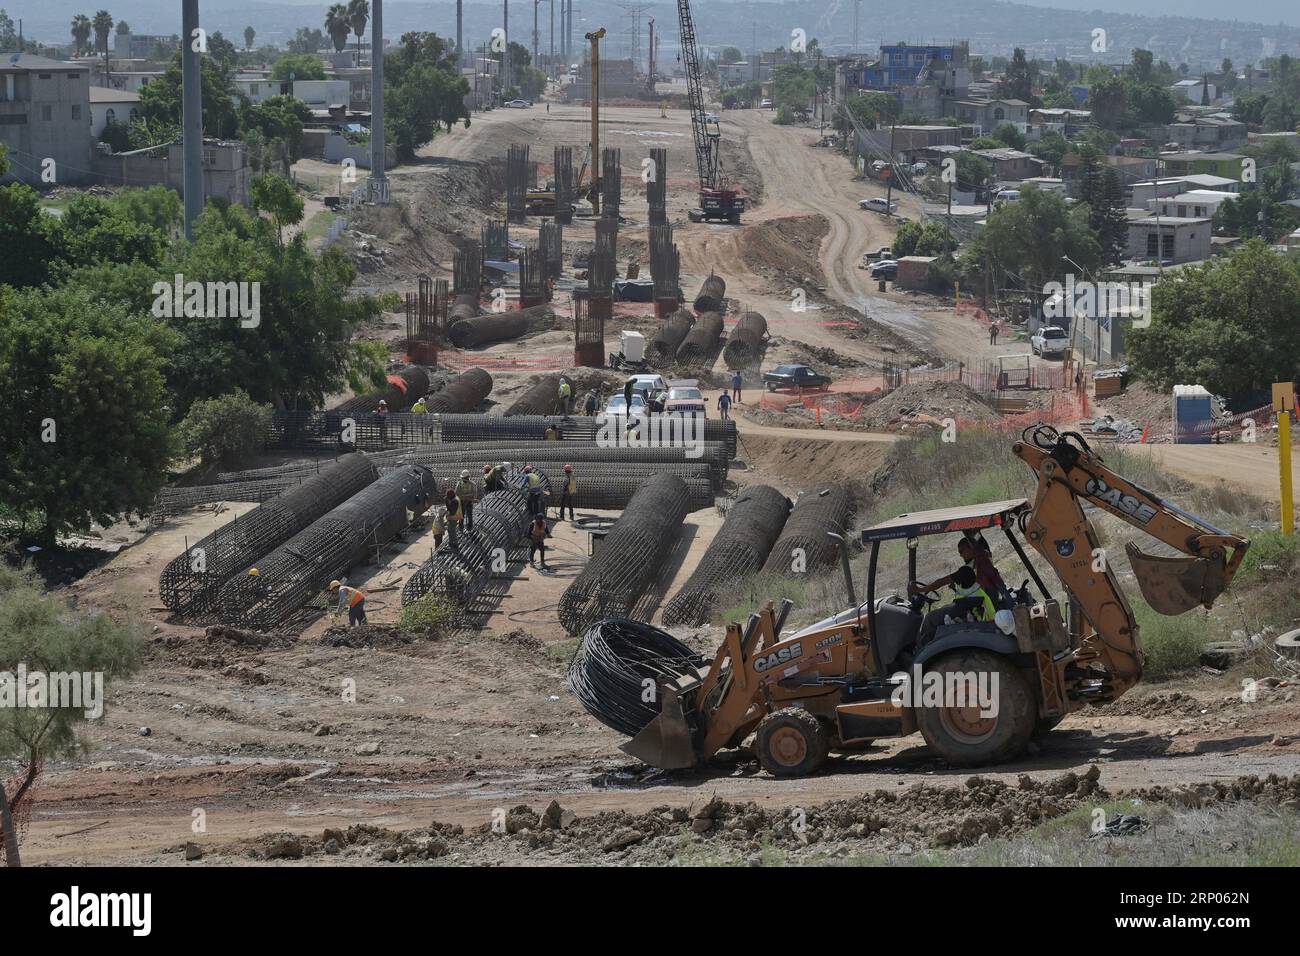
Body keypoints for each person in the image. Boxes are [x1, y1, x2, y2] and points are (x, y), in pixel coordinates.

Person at [913, 565, 995, 647]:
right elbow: (964, 597)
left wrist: (919, 590)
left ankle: (922, 647)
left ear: (960, 582)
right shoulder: (975, 588)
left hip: (967, 614)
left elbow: (940, 582)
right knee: (944, 608)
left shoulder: (969, 592)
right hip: (969, 610)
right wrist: (954, 588)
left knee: (930, 617)